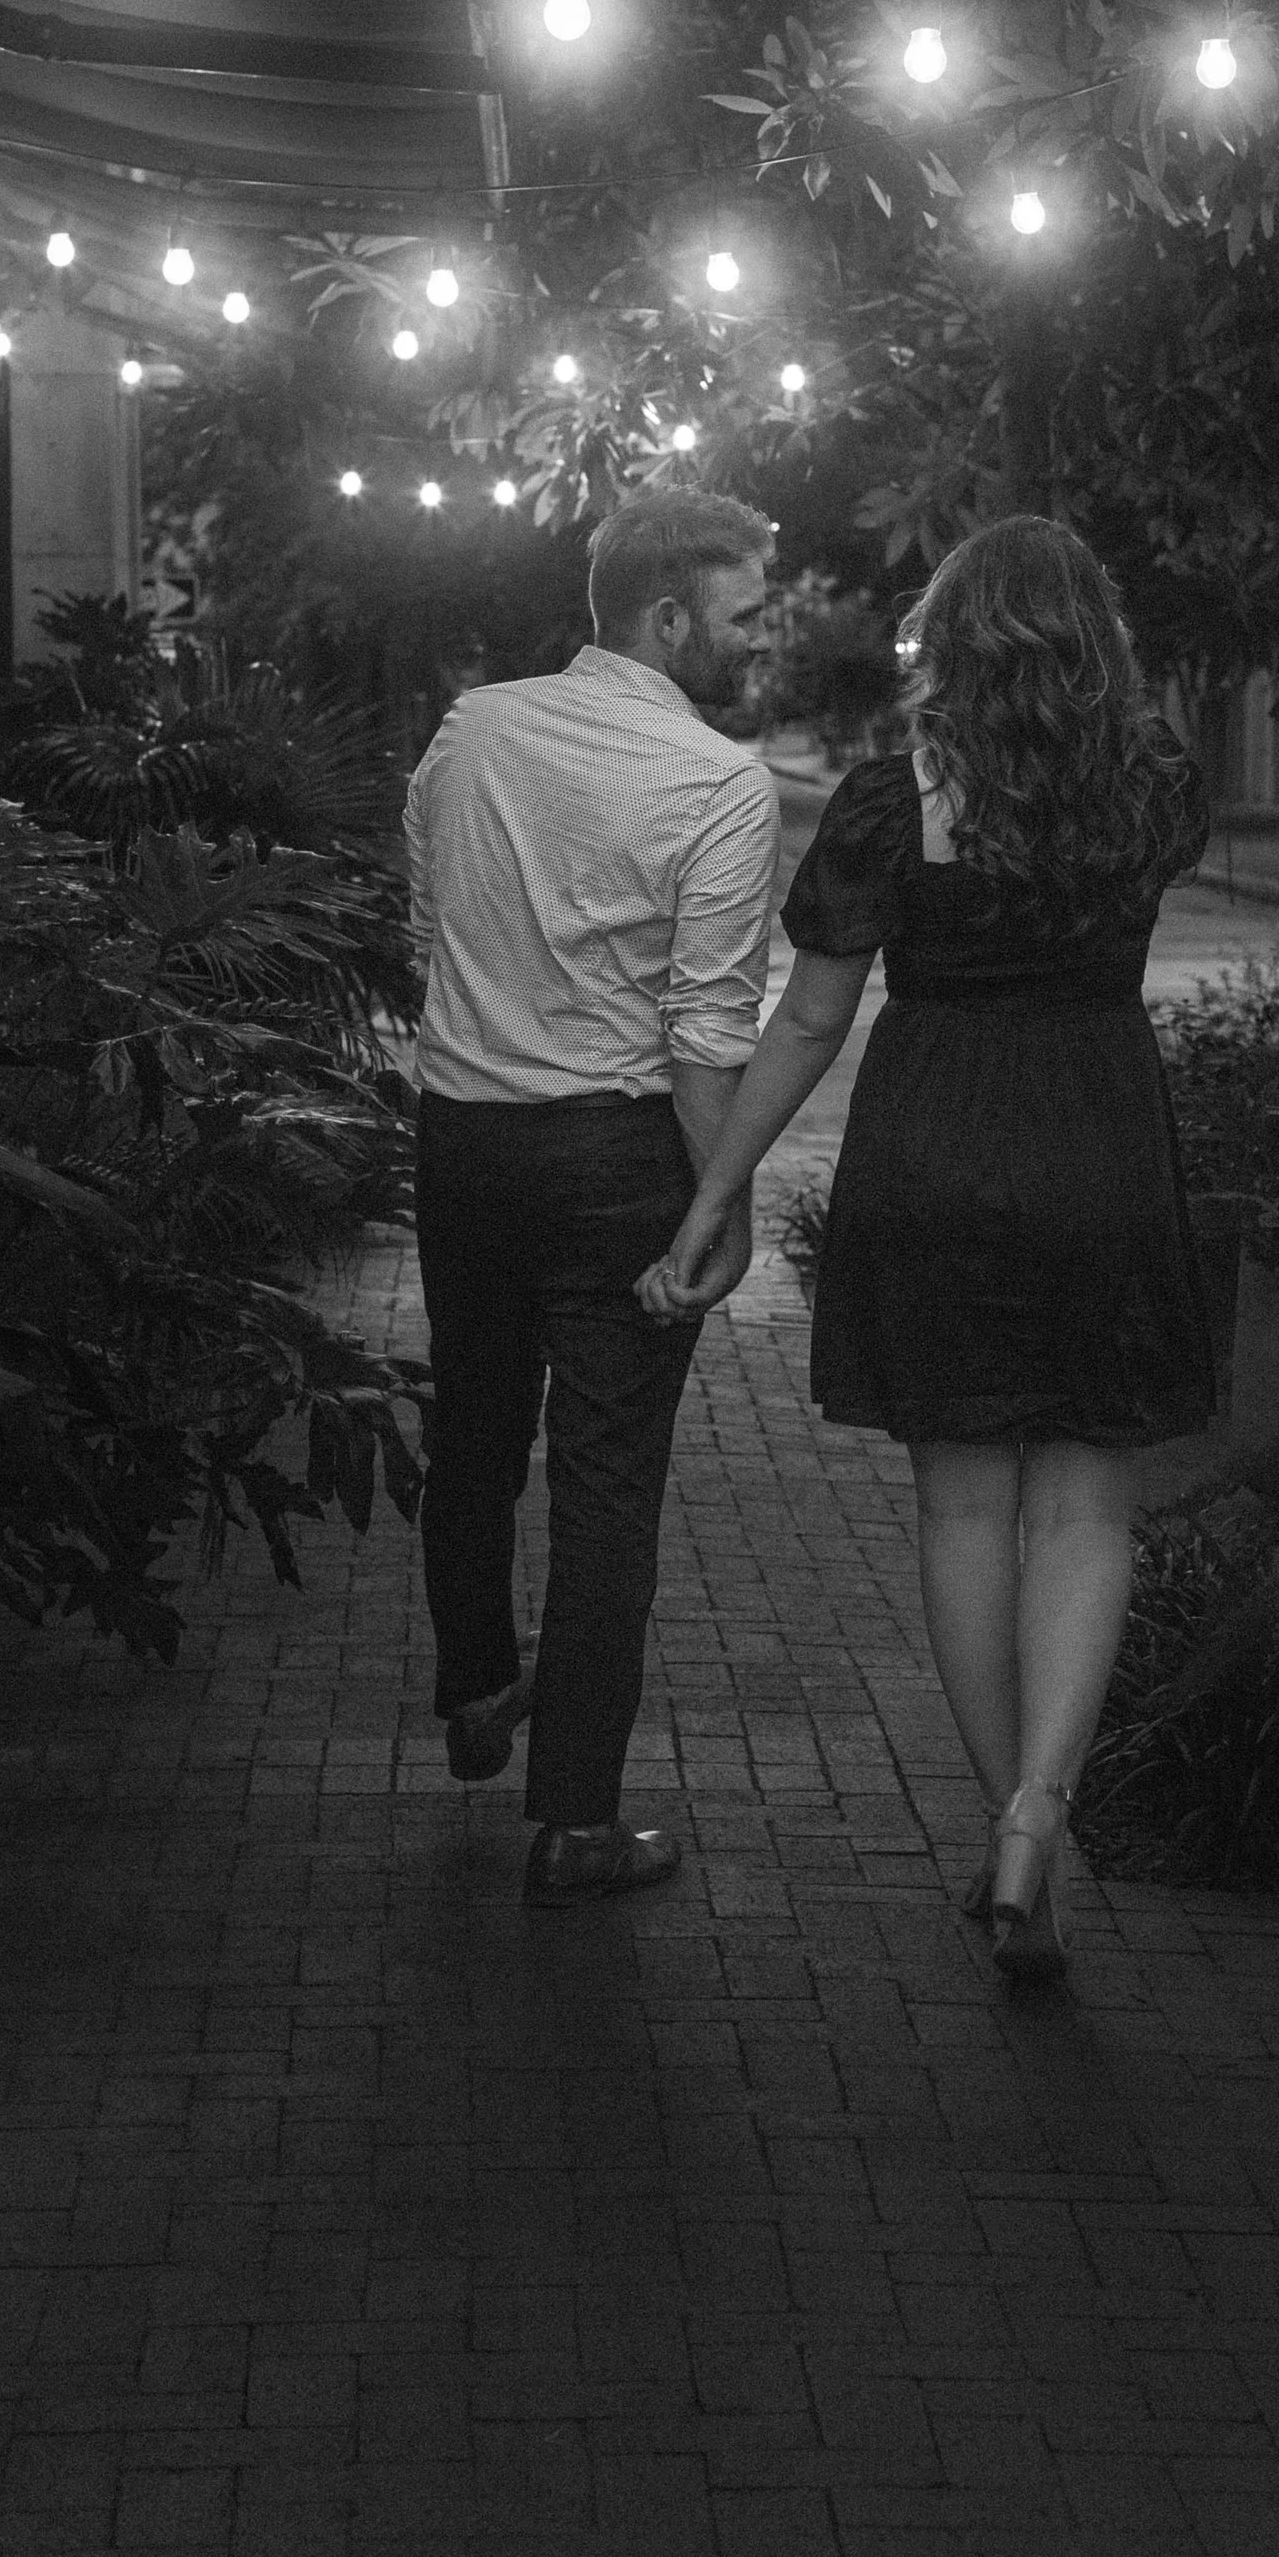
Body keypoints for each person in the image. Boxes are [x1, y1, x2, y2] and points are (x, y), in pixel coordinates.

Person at [639, 515, 1215, 1984]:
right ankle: (1041, 1808)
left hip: (936, 1141)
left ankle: (1012, 1830)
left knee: (965, 1512)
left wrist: (717, 1188)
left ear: (946, 649)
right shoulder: (1156, 792)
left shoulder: (892, 806)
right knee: (1087, 1511)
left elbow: (813, 1019)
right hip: (1098, 1136)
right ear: (1097, 646)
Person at [405, 486, 780, 1907]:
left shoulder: (473, 729)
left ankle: (473, 1681)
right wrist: (722, 1203)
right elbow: (704, 1037)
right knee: (609, 1486)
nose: (760, 642)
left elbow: (428, 920)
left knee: (478, 1422)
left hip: (465, 1141)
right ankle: (572, 1818)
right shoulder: (717, 783)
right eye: (744, 615)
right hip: (616, 1154)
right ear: (668, 615)